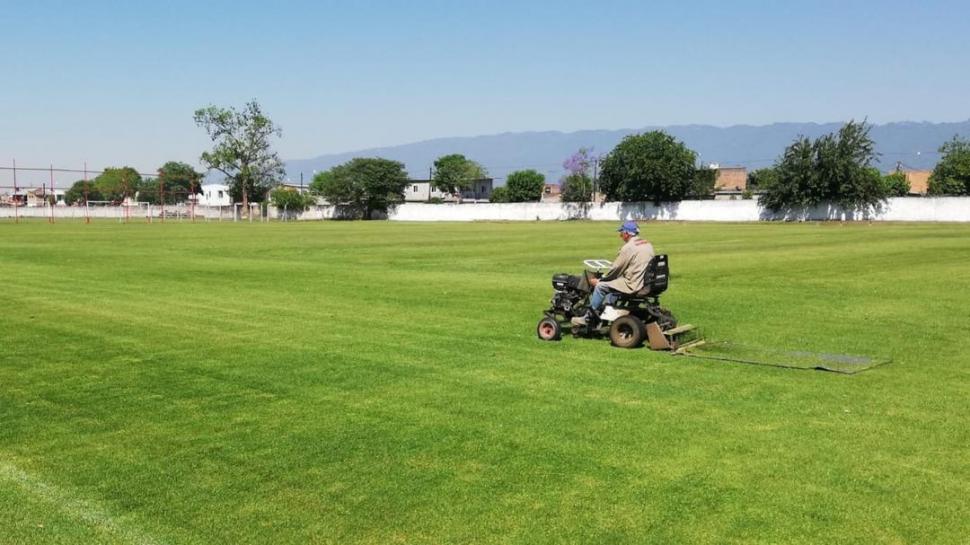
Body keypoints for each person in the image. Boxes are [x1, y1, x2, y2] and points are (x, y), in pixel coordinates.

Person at [572, 220, 655, 326]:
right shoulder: (647, 244)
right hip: (644, 281)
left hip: (633, 284)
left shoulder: (628, 248)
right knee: (613, 284)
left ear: (626, 233)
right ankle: (607, 311)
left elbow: (616, 269)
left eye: (621, 233)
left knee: (601, 287)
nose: (620, 235)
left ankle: (587, 318)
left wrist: (600, 280)